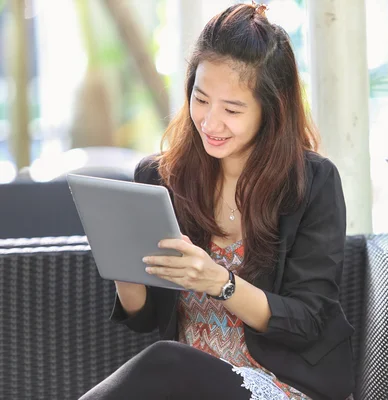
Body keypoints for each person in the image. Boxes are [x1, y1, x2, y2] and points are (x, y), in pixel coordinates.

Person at [80, 3, 354, 400]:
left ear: (270, 110)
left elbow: (307, 320)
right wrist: (121, 262)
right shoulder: (160, 178)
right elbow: (145, 317)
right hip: (190, 384)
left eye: (232, 109)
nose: (210, 122)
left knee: (165, 360)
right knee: (170, 362)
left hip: (283, 383)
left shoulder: (311, 182)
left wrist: (220, 284)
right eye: (201, 99)